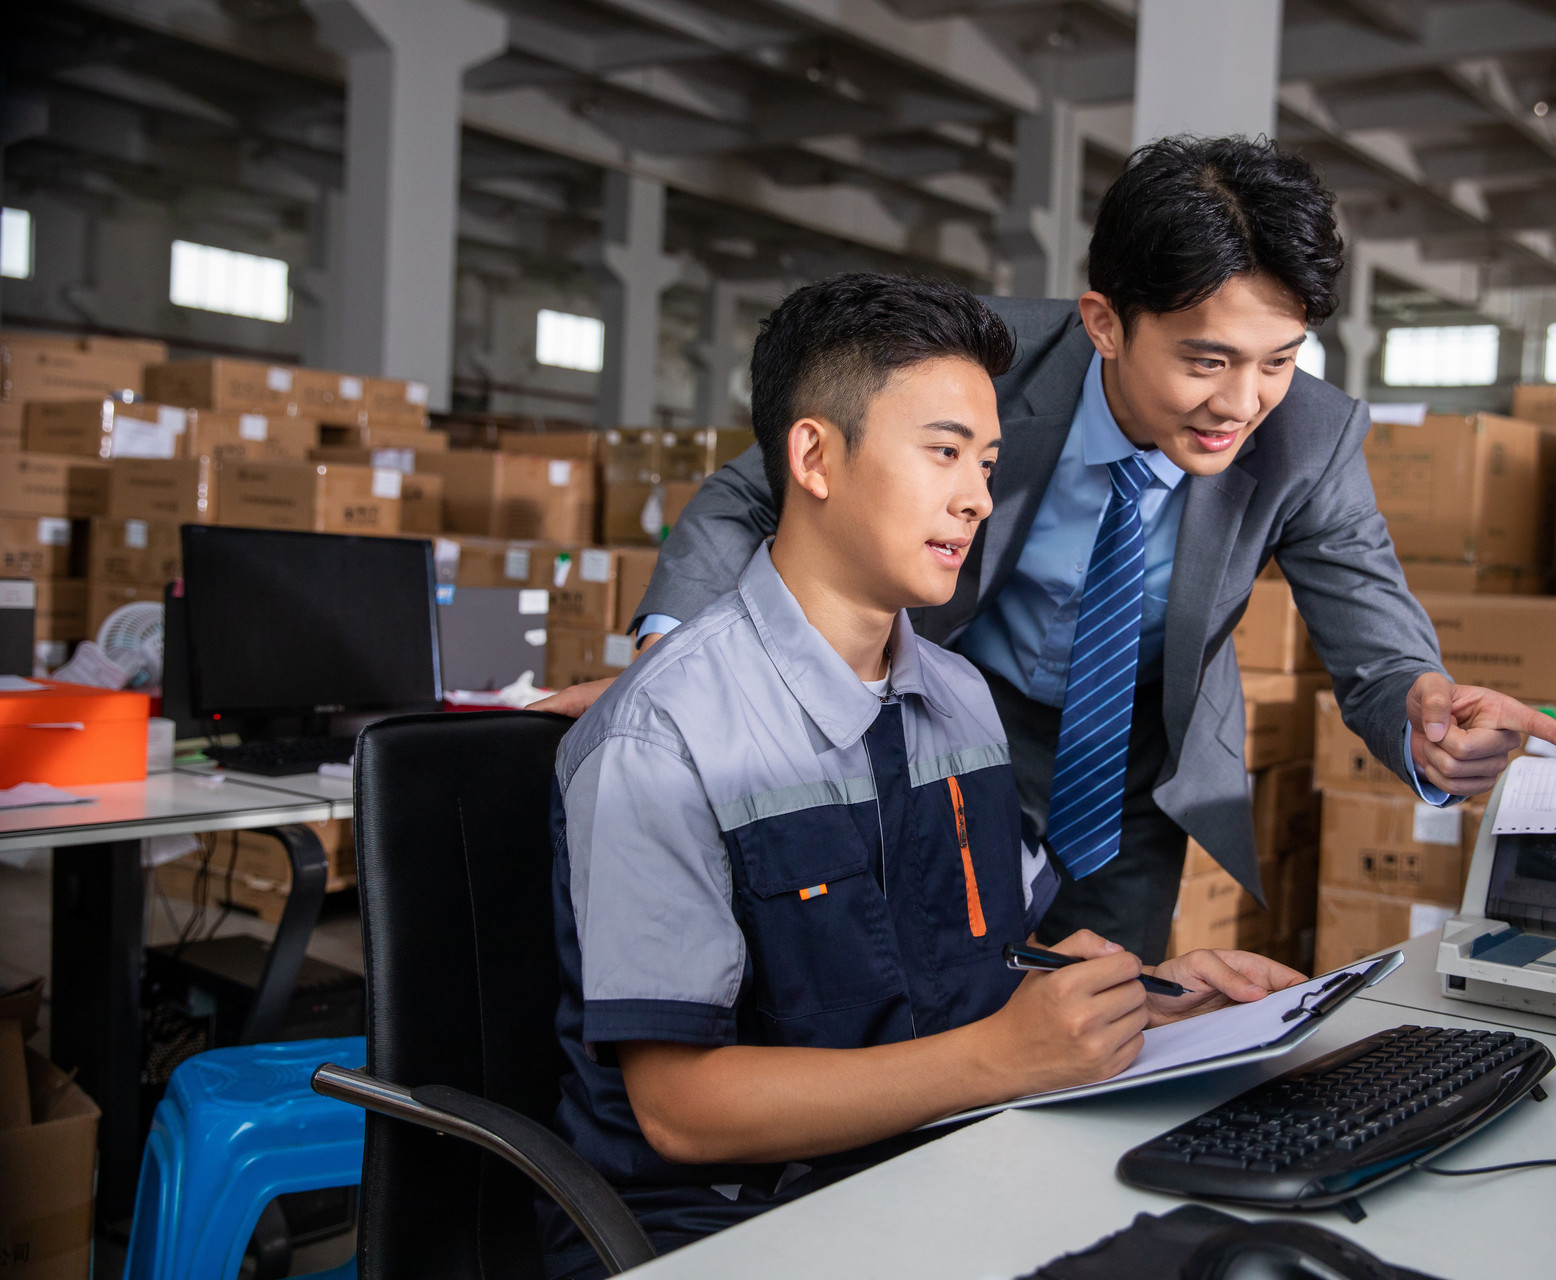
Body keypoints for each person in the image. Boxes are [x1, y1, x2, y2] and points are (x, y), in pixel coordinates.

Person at [536, 136, 1556, 963]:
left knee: (1103, 1021)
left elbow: (1379, 643)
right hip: (942, 720)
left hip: (1128, 772)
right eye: (1206, 359)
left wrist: (1424, 710)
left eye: (1277, 360)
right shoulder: (975, 363)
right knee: (919, 999)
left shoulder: (1307, 435)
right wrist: (672, 662)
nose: (1242, 403)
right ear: (1104, 322)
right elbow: (743, 491)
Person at [543, 273, 1304, 1273]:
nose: (978, 496)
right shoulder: (665, 736)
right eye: (943, 451)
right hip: (725, 1227)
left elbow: (986, 955)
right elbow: (679, 1108)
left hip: (937, 1166)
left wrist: (1142, 999)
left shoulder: (957, 699)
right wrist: (996, 1061)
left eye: (985, 461)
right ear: (813, 454)